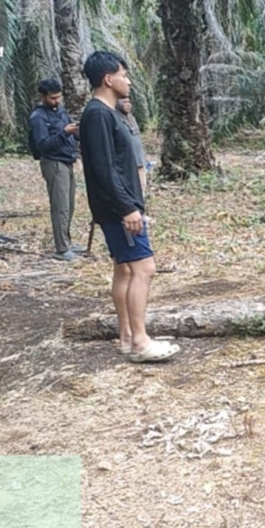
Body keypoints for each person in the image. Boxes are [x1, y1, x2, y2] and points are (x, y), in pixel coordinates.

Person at [79, 51, 178, 363]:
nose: (129, 81)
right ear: (108, 79)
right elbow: (104, 169)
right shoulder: (98, 114)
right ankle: (140, 341)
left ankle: (125, 336)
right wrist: (127, 209)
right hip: (118, 210)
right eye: (124, 74)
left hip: (118, 207)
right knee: (143, 269)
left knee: (123, 269)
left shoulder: (108, 113)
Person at [28, 78, 82, 261]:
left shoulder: (61, 112)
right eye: (52, 98)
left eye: (59, 97)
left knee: (69, 205)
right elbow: (42, 144)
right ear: (43, 97)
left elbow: (72, 132)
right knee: (60, 206)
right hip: (53, 163)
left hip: (67, 161)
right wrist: (65, 133)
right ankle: (61, 248)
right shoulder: (38, 117)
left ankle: (66, 241)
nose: (56, 101)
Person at [117, 97, 148, 193]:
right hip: (128, 160)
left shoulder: (131, 118)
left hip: (139, 158)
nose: (128, 104)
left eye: (129, 102)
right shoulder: (117, 119)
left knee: (142, 184)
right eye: (125, 102)